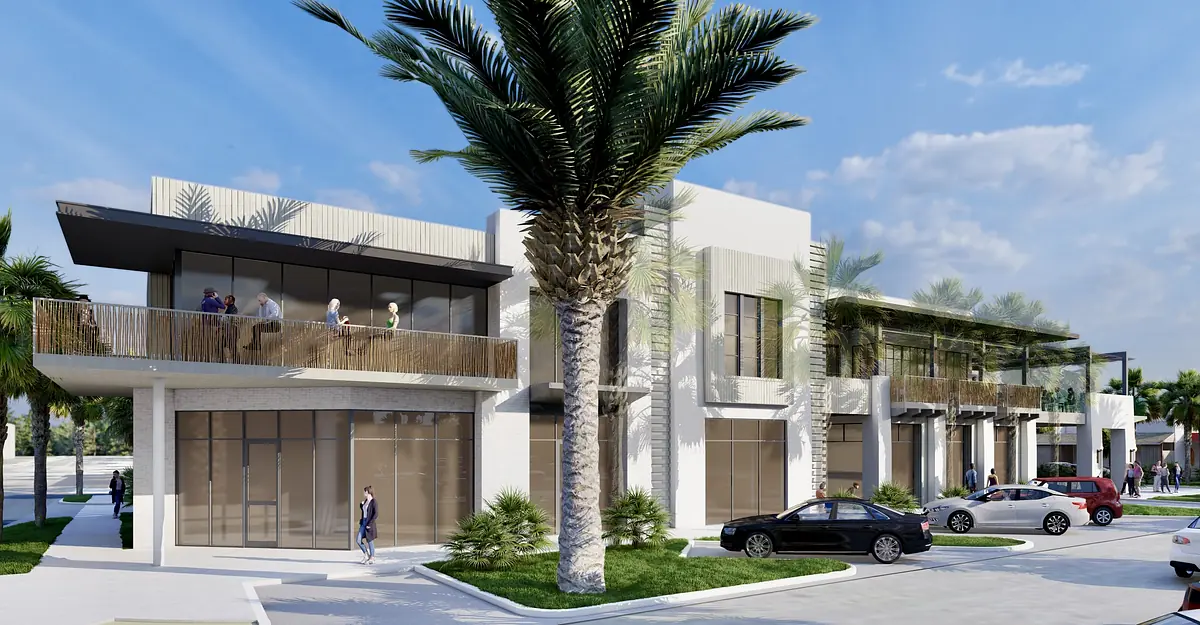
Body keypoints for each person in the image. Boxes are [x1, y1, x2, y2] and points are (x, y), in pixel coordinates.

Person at [357, 485, 377, 565]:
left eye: (365, 491)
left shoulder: (374, 502)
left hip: (369, 523)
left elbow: (376, 514)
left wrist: (370, 523)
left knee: (370, 541)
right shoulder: (365, 501)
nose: (364, 493)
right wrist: (361, 505)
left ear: (369, 492)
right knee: (358, 540)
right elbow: (364, 511)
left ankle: (372, 557)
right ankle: (366, 554)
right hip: (363, 522)